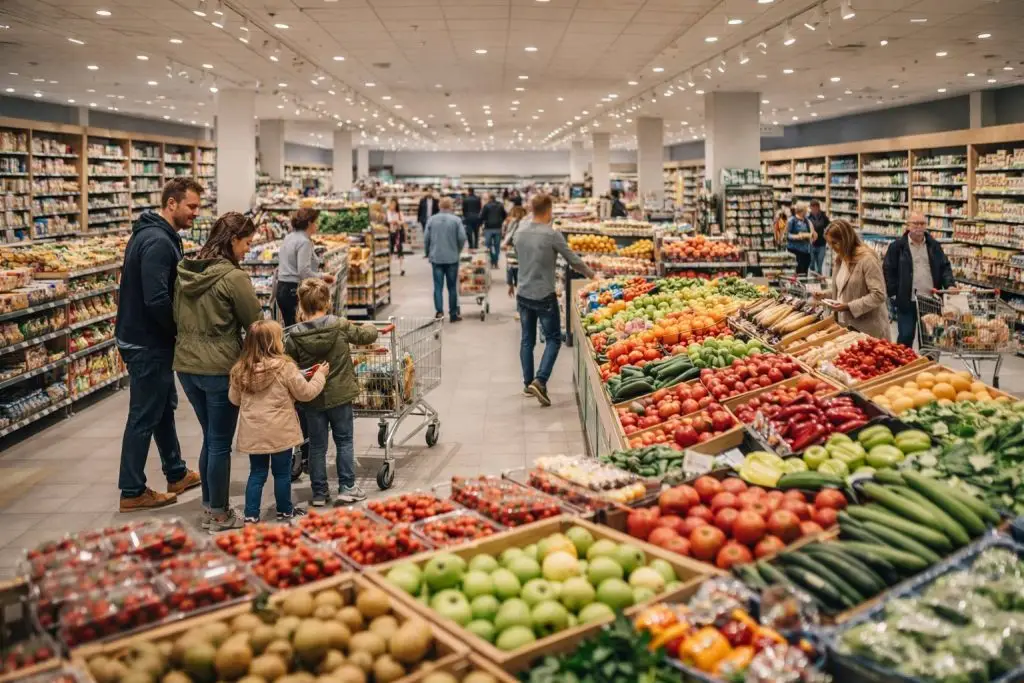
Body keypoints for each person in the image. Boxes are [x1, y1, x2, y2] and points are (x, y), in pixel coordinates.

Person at [116, 178, 203, 511]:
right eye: (191, 206)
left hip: (145, 337)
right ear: (171, 204)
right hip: (147, 342)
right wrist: (179, 330)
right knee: (143, 414)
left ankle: (176, 471)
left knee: (162, 407)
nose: (196, 213)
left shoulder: (157, 235)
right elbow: (156, 299)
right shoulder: (157, 242)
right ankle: (132, 489)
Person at [174, 212, 263, 531]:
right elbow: (254, 322)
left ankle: (210, 507)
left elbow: (174, 315)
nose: (247, 251)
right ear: (232, 240)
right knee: (219, 442)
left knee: (210, 437)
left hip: (185, 365)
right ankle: (220, 514)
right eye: (246, 243)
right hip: (219, 367)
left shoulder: (185, 271)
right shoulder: (234, 277)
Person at [286, 279, 379, 506]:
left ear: (301, 305)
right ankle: (347, 487)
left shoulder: (295, 335)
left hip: (313, 398)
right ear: (327, 302)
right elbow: (367, 336)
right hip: (340, 396)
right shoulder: (339, 325)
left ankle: (319, 493)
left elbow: (289, 364)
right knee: (344, 440)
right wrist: (372, 327)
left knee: (317, 445)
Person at [230, 319, 329, 523]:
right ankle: (285, 510)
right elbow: (306, 393)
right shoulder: (285, 368)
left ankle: (251, 514)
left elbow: (234, 399)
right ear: (273, 343)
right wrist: (320, 376)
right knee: (282, 473)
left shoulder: (240, 370)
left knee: (256, 473)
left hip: (254, 431)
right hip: (280, 430)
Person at [513, 194, 595, 407]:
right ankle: (540, 380)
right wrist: (594, 276)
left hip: (523, 293)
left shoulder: (519, 232)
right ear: (548, 210)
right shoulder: (552, 235)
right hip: (544, 295)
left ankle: (527, 384)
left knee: (527, 340)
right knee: (553, 339)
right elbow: (573, 261)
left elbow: (518, 256)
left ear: (532, 209)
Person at [884, 212, 956, 347]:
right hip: (906, 299)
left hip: (930, 300)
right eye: (915, 223)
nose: (919, 227)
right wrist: (893, 293)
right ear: (908, 226)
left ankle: (928, 366)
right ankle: (904, 365)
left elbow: (945, 267)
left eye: (922, 224)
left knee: (930, 339)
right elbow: (888, 270)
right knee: (905, 336)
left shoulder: (934, 246)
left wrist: (950, 284)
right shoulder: (897, 247)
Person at [818, 220, 891, 340]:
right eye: (829, 244)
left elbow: (879, 295)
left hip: (868, 330)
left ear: (846, 239)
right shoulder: (840, 259)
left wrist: (848, 306)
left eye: (835, 243)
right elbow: (845, 289)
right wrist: (825, 295)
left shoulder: (867, 259)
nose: (832, 248)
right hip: (846, 327)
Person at [276, 208, 335, 329]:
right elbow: (303, 272)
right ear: (309, 223)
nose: (317, 225)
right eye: (315, 222)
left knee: (290, 328)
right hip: (294, 290)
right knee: (300, 329)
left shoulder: (289, 237)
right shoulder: (304, 242)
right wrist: (323, 276)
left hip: (282, 288)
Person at [424, 197, 467, 322]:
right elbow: (462, 237)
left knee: (438, 286)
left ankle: (439, 312)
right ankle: (453, 314)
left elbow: (426, 238)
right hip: (452, 258)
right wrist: (457, 250)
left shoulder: (431, 220)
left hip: (436, 257)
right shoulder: (456, 220)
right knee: (452, 287)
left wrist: (428, 252)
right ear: (451, 206)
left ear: (439, 206)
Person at [503, 206, 527, 301]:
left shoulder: (512, 223)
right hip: (523, 254)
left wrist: (509, 283)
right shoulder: (527, 224)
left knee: (511, 268)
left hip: (513, 251)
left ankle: (511, 285)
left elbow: (507, 236)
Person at [479, 192, 507, 269]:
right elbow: (505, 215)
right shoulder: (500, 205)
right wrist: (500, 221)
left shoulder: (486, 206)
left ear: (489, 199)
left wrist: (481, 224)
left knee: (488, 245)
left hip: (488, 228)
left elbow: (482, 216)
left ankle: (491, 261)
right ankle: (496, 261)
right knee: (497, 246)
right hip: (498, 228)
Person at [786, 202, 813, 276]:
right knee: (797, 272)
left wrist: (811, 235)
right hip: (795, 251)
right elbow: (787, 235)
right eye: (805, 210)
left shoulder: (806, 220)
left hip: (806, 251)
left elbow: (811, 232)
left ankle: (803, 286)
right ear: (802, 211)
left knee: (805, 272)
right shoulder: (792, 220)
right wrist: (797, 236)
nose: (807, 212)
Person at [808, 200, 830, 275]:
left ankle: (819, 281)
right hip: (811, 244)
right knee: (811, 264)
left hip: (821, 244)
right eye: (812, 208)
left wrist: (826, 235)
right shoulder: (808, 217)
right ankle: (811, 281)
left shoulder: (824, 217)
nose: (813, 210)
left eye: (815, 208)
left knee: (820, 265)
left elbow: (829, 227)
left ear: (818, 207)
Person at [386, 198, 406, 277]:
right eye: (391, 204)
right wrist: (397, 221)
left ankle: (402, 268)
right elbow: (389, 220)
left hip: (398, 233)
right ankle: (388, 269)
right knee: (390, 250)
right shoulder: (388, 212)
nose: (393, 206)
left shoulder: (399, 212)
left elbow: (402, 221)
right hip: (391, 233)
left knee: (400, 249)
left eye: (394, 204)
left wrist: (397, 222)